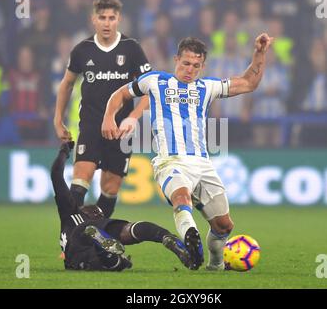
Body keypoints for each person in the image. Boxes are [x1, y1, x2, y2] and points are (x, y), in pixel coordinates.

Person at [102, 34, 273, 270]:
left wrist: (259, 53)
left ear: (202, 66)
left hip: (202, 164)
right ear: (176, 60)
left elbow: (249, 83)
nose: (190, 70)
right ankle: (190, 236)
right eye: (185, 63)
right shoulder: (155, 81)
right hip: (170, 161)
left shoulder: (208, 87)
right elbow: (120, 94)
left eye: (196, 66)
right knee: (181, 197)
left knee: (224, 226)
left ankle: (216, 265)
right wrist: (109, 117)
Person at [53, 0, 152, 217]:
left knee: (110, 188)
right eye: (102, 18)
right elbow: (66, 84)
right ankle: (69, 239)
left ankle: (98, 237)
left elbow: (150, 89)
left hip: (121, 130)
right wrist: (57, 119)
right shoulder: (81, 50)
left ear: (119, 20)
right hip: (90, 124)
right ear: (93, 20)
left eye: (111, 18)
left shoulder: (132, 49)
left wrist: (133, 117)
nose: (107, 23)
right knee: (80, 182)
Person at [51, 141, 193, 271]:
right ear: (89, 213)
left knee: (104, 234)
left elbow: (56, 175)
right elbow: (57, 176)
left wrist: (64, 152)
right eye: (97, 213)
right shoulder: (73, 211)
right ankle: (163, 236)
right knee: (126, 230)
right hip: (88, 248)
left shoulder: (71, 214)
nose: (98, 213)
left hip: (80, 260)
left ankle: (112, 256)